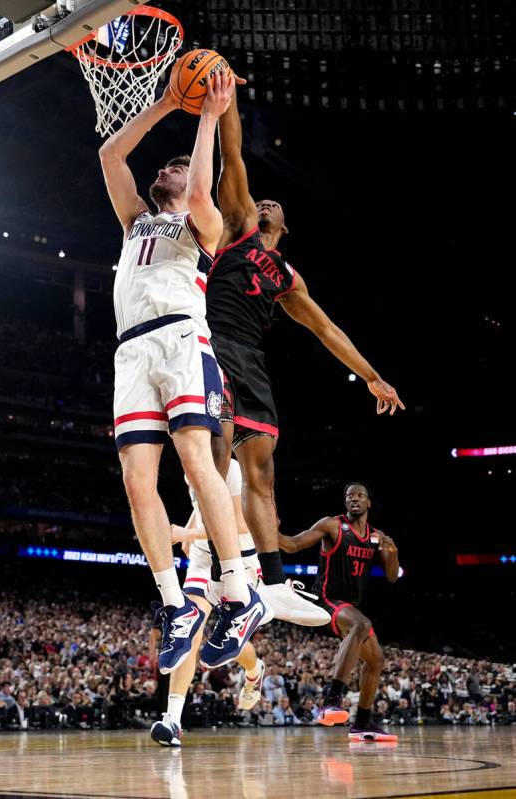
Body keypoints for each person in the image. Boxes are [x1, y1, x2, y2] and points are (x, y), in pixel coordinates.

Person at [206, 84, 405, 627]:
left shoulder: (288, 277)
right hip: (211, 343)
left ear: (286, 227)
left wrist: (372, 378)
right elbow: (233, 155)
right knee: (218, 454)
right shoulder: (240, 225)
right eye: (262, 199)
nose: (266, 201)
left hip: (251, 359)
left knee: (262, 476)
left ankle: (269, 587)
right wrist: (224, 105)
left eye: (276, 204)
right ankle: (221, 573)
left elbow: (328, 329)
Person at [99, 69, 266, 675]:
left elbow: (201, 192)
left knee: (198, 466)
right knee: (137, 483)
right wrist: (166, 101)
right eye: (167, 168)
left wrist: (206, 117)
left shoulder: (204, 225)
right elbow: (110, 152)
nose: (163, 171)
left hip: (180, 340)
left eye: (171, 167)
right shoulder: (135, 221)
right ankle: (176, 605)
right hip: (132, 352)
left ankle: (238, 593)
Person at [150, 458, 268, 746]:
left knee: (228, 642)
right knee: (189, 629)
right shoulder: (191, 458)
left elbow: (239, 524)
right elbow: (200, 503)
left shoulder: (233, 468)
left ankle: (254, 671)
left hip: (238, 556)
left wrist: (188, 534)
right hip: (203, 559)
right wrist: (190, 528)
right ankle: (173, 720)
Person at [278, 482, 399, 742]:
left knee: (376, 661)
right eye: (349, 496)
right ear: (346, 502)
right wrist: (268, 528)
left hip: (349, 607)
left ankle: (363, 722)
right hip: (325, 599)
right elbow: (291, 545)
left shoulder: (376, 536)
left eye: (360, 495)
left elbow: (391, 577)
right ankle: (330, 701)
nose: (354, 499)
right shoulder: (332, 525)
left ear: (369, 503)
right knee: (361, 624)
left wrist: (392, 553)